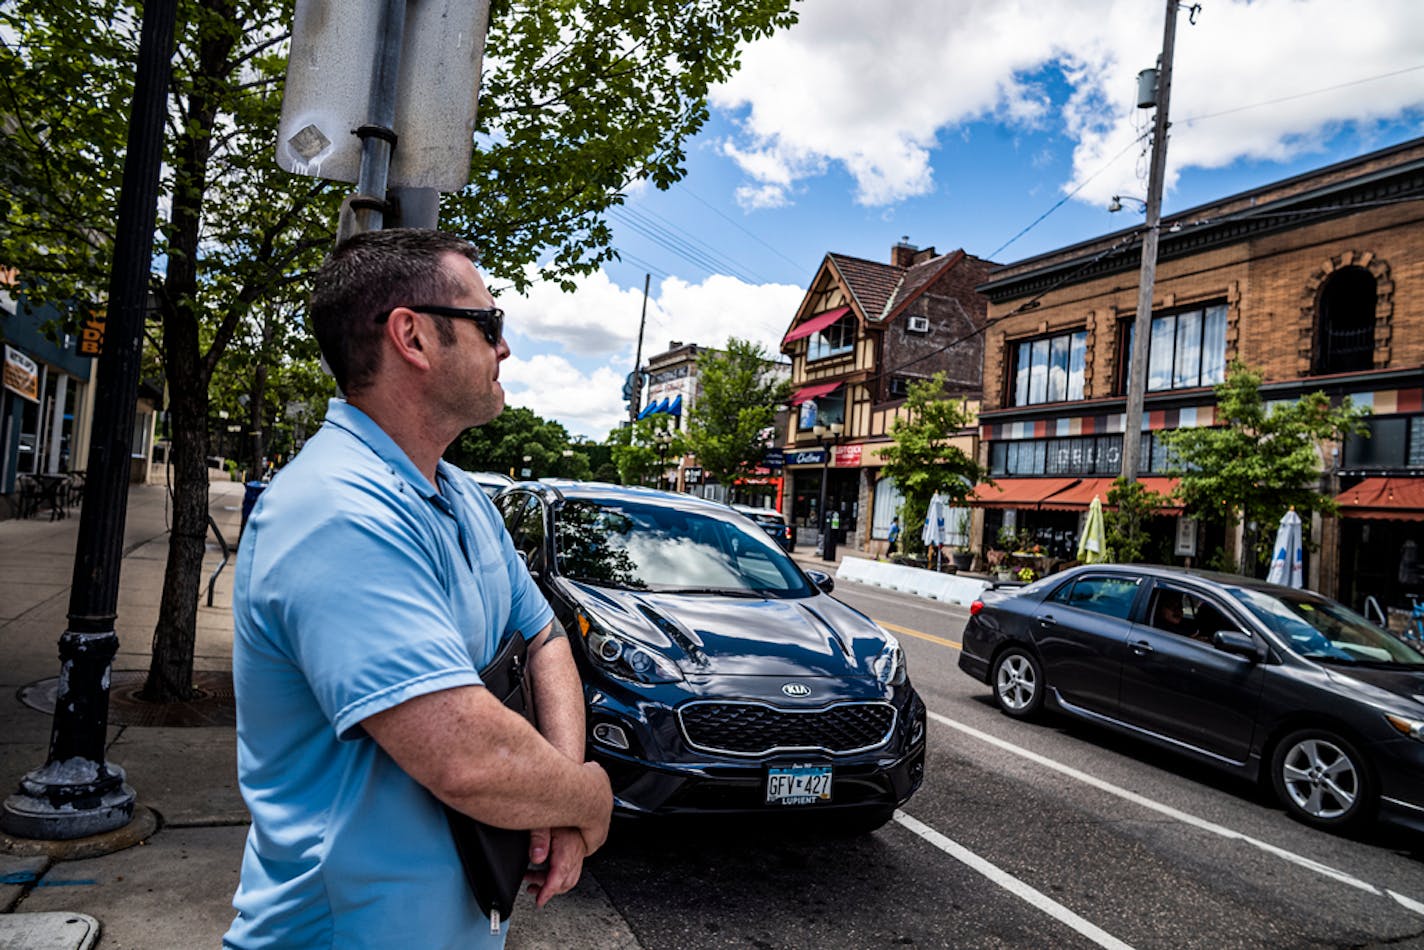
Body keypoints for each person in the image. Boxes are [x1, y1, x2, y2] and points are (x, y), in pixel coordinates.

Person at [225, 229, 613, 949]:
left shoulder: (461, 494)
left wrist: (550, 795)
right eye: (489, 324)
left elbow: (544, 636)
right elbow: (464, 756)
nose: (504, 348)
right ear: (412, 336)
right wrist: (587, 796)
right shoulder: (335, 510)